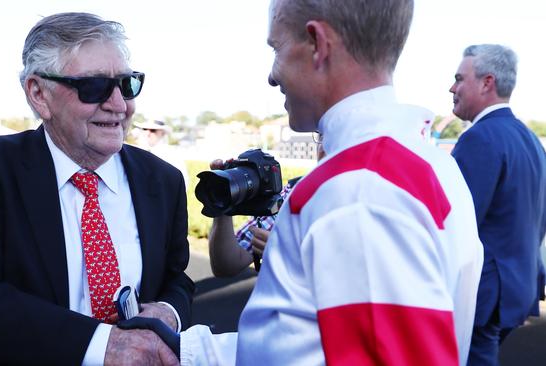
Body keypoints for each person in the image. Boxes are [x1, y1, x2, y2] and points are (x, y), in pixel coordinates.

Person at [175, 0, 486, 364]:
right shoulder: (431, 164)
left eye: (276, 48)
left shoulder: (355, 189)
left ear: (317, 43)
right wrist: (187, 350)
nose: (271, 76)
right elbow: (312, 344)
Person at [0, 12, 192, 366]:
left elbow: (176, 279)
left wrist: (167, 311)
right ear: (39, 94)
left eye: (127, 84)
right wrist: (103, 345)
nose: (119, 104)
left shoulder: (163, 180)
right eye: (94, 87)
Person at [449, 44, 546, 365]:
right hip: (518, 287)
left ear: (487, 82)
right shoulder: (530, 139)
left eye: (459, 78)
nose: (453, 87)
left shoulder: (480, 137)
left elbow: (455, 226)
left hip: (484, 296)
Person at [207, 140, 324, 277]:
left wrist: (292, 257)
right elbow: (227, 265)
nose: (323, 146)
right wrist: (224, 199)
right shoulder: (292, 194)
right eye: (320, 135)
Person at [134, 120, 189, 189]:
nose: (148, 133)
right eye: (145, 129)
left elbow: (183, 182)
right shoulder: (136, 153)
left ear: (162, 133)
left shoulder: (172, 154)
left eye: (153, 130)